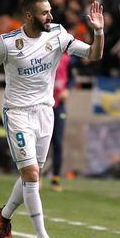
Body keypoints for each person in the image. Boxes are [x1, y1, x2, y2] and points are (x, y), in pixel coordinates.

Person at [0, 0, 104, 238]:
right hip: (17, 114)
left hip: (45, 113)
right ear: (28, 16)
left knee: (32, 174)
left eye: (51, 11)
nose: (51, 16)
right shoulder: (7, 44)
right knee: (32, 175)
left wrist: (99, 31)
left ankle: (4, 215)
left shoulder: (58, 35)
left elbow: (94, 55)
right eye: (45, 13)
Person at [49, 53, 71, 192]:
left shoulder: (67, 58)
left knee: (58, 142)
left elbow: (72, 77)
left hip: (59, 106)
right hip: (44, 105)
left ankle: (56, 178)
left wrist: (67, 89)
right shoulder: (44, 53)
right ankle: (35, 176)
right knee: (41, 141)